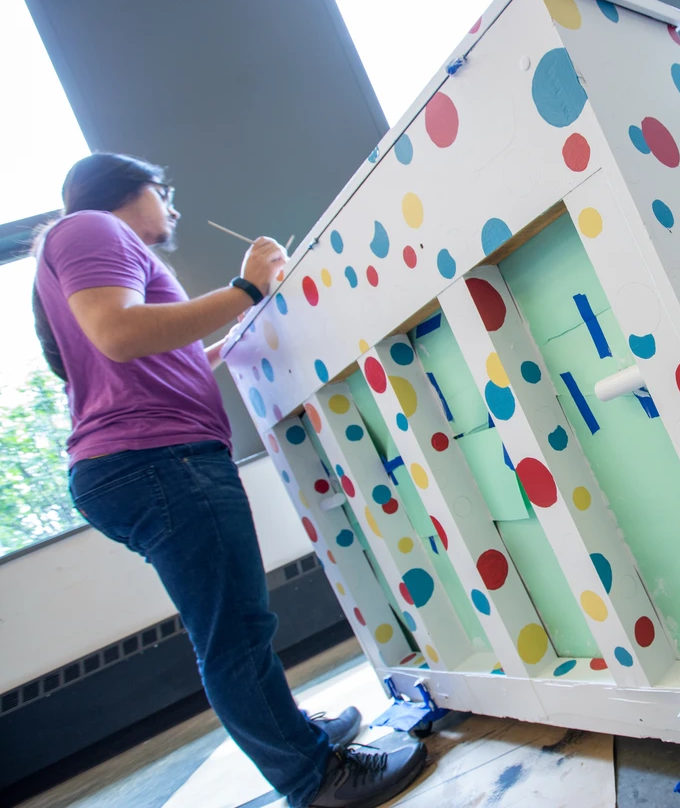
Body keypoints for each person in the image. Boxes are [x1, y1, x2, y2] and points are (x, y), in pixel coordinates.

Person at [32, 153, 427, 808]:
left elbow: (158, 354)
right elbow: (120, 335)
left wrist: (232, 331)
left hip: (148, 460)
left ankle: (296, 735)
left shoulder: (89, 243)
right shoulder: (92, 228)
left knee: (238, 623)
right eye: (165, 191)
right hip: (159, 459)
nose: (174, 206)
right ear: (129, 188)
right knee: (236, 631)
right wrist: (243, 289)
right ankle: (314, 779)